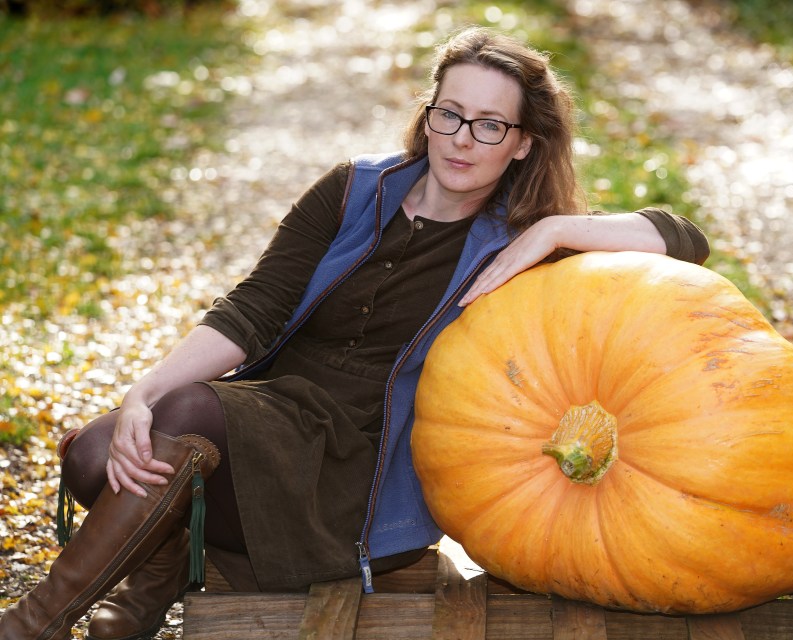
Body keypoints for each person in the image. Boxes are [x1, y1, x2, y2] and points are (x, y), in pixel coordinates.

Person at [0, 26, 709, 640]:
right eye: (451, 114)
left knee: (182, 417)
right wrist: (140, 392)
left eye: (491, 125)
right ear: (427, 115)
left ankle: (32, 622)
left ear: (523, 144)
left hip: (367, 469)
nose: (464, 139)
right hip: (271, 419)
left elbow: (685, 239)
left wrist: (555, 228)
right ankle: (153, 580)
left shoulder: (518, 243)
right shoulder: (351, 191)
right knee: (96, 455)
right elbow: (253, 309)